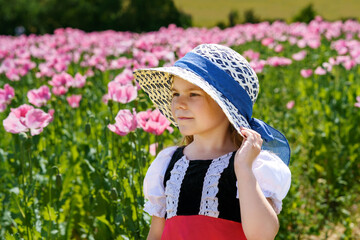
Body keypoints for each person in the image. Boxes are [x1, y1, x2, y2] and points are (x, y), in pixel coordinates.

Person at [133, 44, 291, 240]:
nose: (179, 103)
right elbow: (156, 234)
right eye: (175, 93)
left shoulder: (253, 165)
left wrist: (244, 171)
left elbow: (262, 235)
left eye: (193, 94)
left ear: (226, 105)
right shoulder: (167, 163)